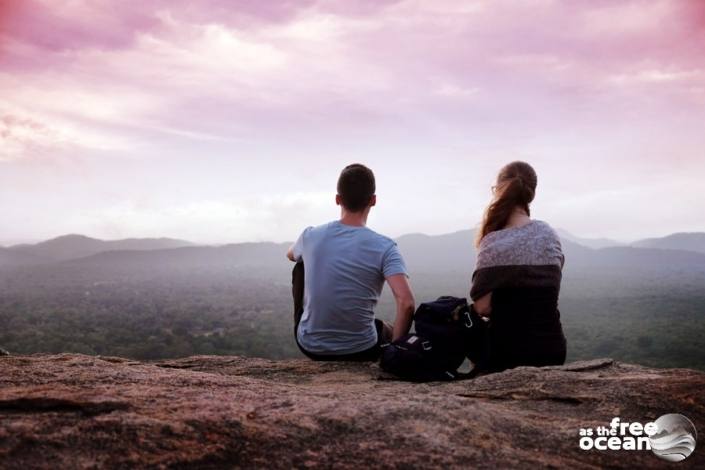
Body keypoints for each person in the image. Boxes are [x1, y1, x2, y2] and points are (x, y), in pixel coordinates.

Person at [287, 163, 415, 361]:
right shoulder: (385, 247)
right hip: (361, 349)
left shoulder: (311, 235)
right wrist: (395, 352)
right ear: (373, 200)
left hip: (310, 345)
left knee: (300, 265)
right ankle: (391, 352)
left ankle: (315, 327)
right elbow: (406, 303)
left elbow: (291, 255)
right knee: (386, 330)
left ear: (338, 199)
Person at [470, 161, 567, 372]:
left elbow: (482, 307)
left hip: (507, 353)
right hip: (551, 349)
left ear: (497, 190)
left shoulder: (493, 241)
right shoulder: (549, 235)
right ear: (531, 193)